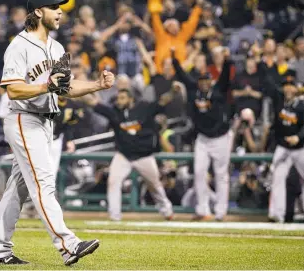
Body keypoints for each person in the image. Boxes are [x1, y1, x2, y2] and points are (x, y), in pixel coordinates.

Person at [0, 0, 115, 266]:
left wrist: (96, 85)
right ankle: (67, 245)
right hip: (23, 119)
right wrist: (46, 86)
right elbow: (13, 90)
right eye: (55, 7)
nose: (60, 12)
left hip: (46, 122)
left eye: (61, 7)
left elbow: (64, 88)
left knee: (17, 190)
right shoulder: (19, 46)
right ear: (39, 12)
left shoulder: (56, 48)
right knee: (44, 182)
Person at [82, 89, 174, 221]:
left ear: (131, 99)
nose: (119, 101)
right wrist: (79, 92)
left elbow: (162, 101)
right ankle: (115, 216)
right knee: (113, 182)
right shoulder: (115, 112)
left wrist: (173, 92)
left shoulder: (144, 108)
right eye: (118, 98)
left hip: (144, 156)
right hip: (123, 155)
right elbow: (94, 103)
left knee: (154, 185)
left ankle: (167, 210)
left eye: (123, 98)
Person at [172, 48, 232, 221]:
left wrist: (227, 61)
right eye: (201, 80)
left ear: (211, 81)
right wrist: (175, 60)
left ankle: (221, 212)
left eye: (207, 80)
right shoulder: (194, 91)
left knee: (221, 175)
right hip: (203, 139)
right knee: (199, 172)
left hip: (221, 137)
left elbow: (226, 77)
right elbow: (182, 76)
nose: (204, 83)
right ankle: (202, 209)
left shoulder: (218, 91)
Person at [263, 73, 304, 223]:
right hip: (283, 148)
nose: (288, 89)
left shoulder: (301, 105)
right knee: (277, 178)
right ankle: (276, 214)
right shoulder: (279, 101)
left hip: (300, 148)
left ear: (296, 89)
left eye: (291, 86)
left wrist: (298, 137)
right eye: (286, 86)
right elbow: (268, 81)